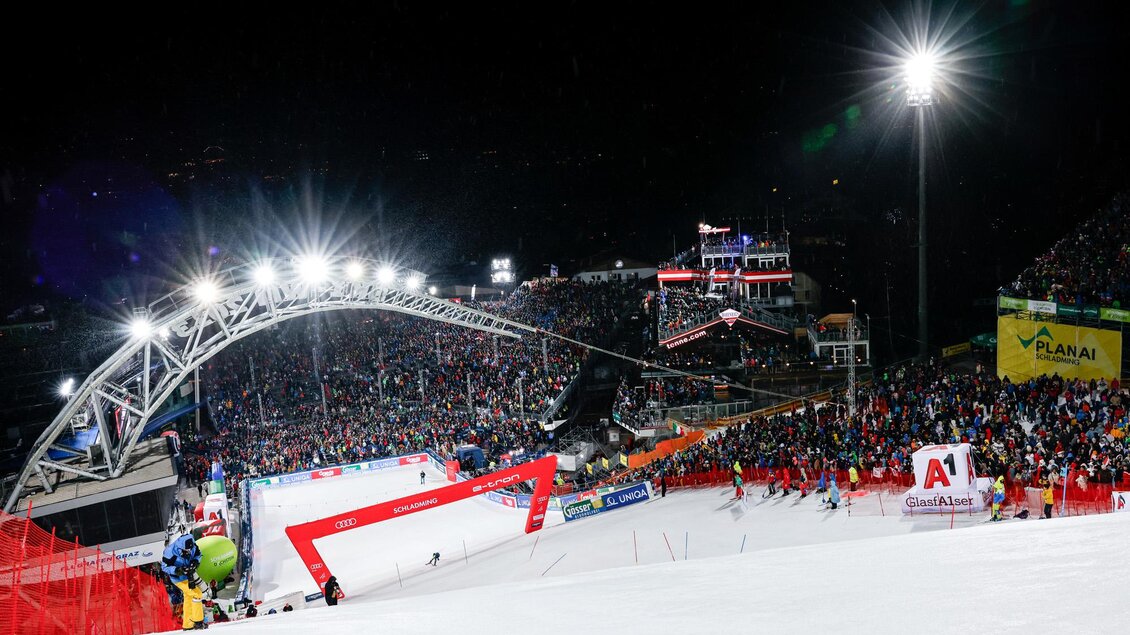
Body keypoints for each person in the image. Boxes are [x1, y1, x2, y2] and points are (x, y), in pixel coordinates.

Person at [160, 534, 204, 631]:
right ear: (180, 547)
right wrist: (177, 570)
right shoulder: (169, 552)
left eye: (189, 550)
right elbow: (164, 567)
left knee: (188, 597)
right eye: (185, 550)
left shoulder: (193, 546)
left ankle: (188, 625)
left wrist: (195, 562)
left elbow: (198, 555)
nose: (188, 552)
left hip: (189, 576)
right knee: (196, 594)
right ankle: (198, 622)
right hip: (178, 579)